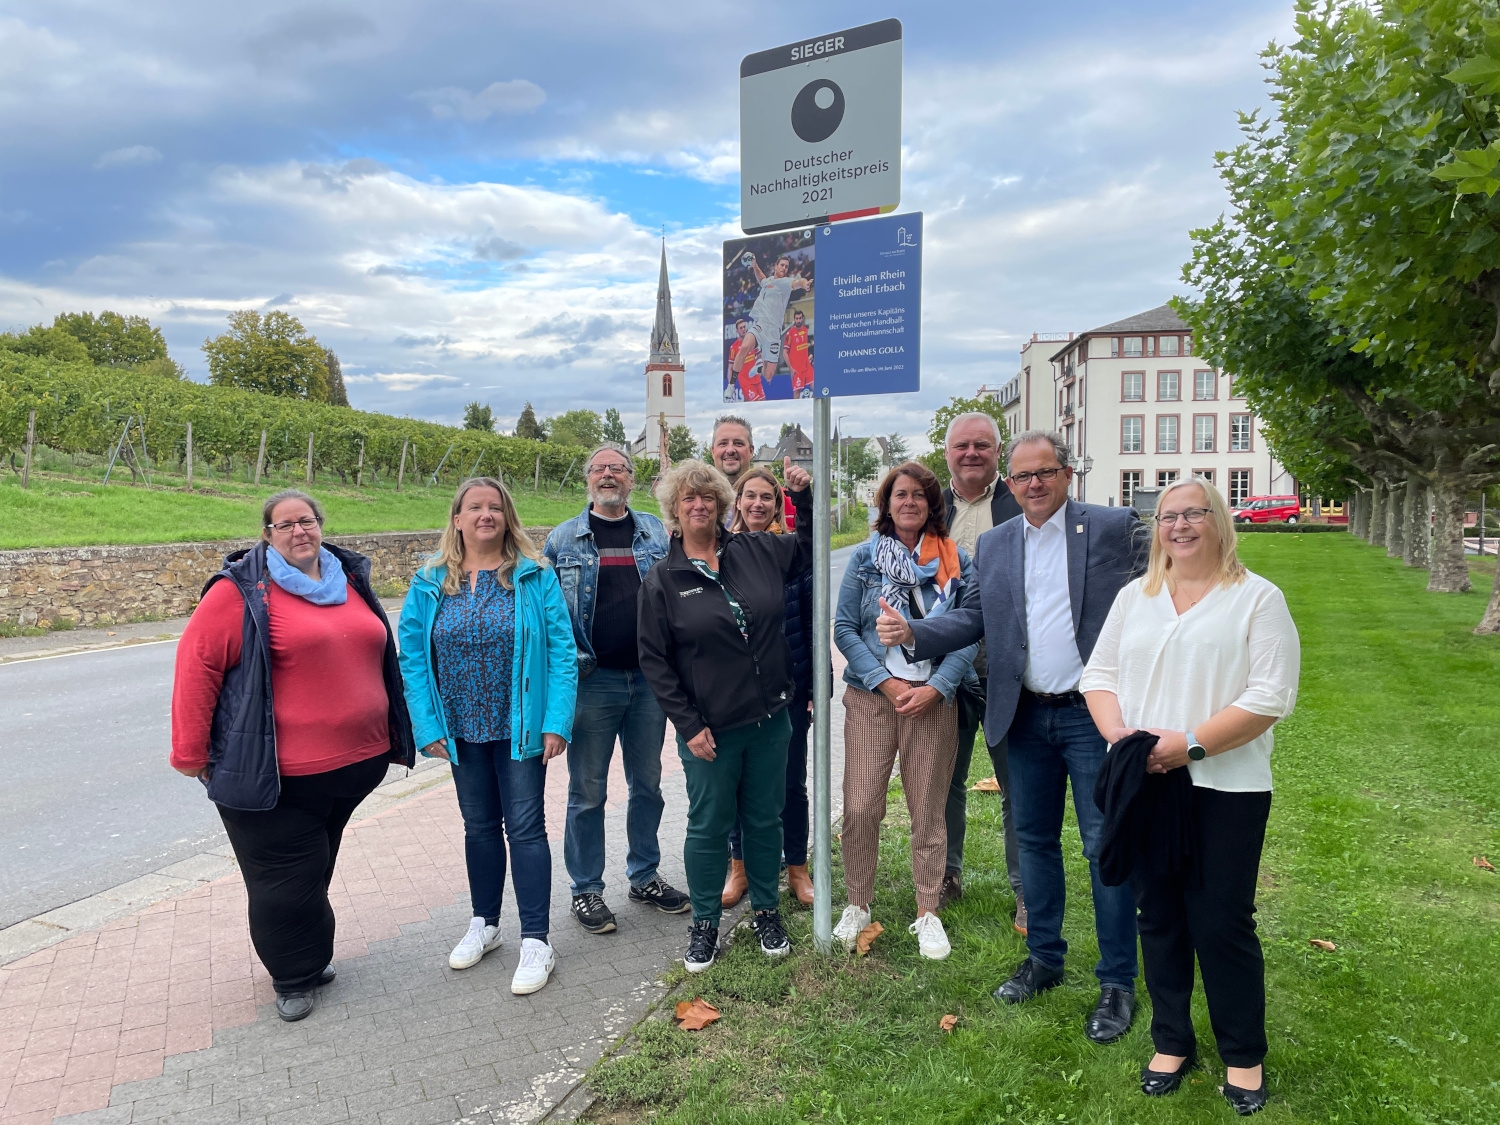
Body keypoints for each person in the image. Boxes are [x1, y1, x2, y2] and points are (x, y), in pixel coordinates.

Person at [877, 430, 1149, 1043]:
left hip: (1090, 716)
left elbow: (1154, 591)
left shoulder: (1109, 527)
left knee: (1104, 844)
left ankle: (1116, 981)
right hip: (1022, 714)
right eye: (1024, 476)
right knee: (1034, 840)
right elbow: (974, 616)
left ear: (1066, 474)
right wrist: (915, 632)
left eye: (1043, 473)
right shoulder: (998, 543)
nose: (1032, 484)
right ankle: (1046, 959)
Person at [1081, 478, 1299, 1116]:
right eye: (1168, 517)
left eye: (1193, 514)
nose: (1178, 526)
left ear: (1219, 521)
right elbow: (1100, 676)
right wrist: (1121, 738)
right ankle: (1171, 1040)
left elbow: (1268, 697)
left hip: (1225, 786)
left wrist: (1191, 745)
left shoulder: (1257, 600)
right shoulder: (1137, 597)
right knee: (1161, 915)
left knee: (1221, 921)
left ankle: (1243, 1054)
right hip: (1148, 784)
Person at [171, 490, 415, 1022]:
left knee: (311, 869)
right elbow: (197, 669)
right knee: (285, 881)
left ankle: (309, 955)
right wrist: (190, 754)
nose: (297, 531)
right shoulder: (237, 592)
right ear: (267, 535)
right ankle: (294, 974)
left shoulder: (347, 580)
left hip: (352, 768)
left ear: (321, 526)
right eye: (284, 525)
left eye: (306, 521)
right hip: (274, 776)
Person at [398, 477, 577, 996]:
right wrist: (427, 725)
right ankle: (486, 923)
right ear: (456, 519)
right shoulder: (430, 581)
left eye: (494, 507)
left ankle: (538, 940)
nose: (485, 515)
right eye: (474, 507)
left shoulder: (534, 577)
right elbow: (412, 658)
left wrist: (556, 721)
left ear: (507, 517)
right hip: (460, 724)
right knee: (478, 827)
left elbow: (563, 652)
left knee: (524, 827)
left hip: (518, 722)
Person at [637, 457, 813, 973]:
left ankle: (766, 911)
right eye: (688, 498)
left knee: (764, 820)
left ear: (721, 506)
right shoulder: (664, 579)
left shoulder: (756, 550)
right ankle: (705, 924)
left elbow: (807, 551)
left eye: (707, 498)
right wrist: (688, 725)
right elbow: (654, 659)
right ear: (674, 509)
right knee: (709, 826)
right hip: (710, 732)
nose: (698, 505)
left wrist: (799, 499)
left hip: (769, 720)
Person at [833, 461, 978, 961]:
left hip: (932, 704)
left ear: (932, 503)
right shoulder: (864, 559)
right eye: (900, 494)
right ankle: (857, 903)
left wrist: (938, 686)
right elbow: (845, 629)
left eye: (919, 494)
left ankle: (928, 911)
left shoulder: (955, 560)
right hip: (874, 700)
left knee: (927, 811)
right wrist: (886, 682)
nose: (910, 502)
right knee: (860, 806)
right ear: (887, 503)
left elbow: (967, 630)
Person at [543, 444, 687, 935]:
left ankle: (643, 876)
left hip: (650, 682)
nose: (609, 475)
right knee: (587, 792)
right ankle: (586, 889)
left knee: (647, 786)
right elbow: (547, 620)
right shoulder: (561, 541)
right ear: (588, 479)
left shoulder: (654, 532)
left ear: (630, 479)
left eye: (618, 469)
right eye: (600, 469)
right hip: (592, 682)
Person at [938, 412, 1026, 929]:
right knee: (943, 779)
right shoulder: (929, 506)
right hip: (943, 668)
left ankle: (1025, 890)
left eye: (983, 445)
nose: (972, 453)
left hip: (1004, 666)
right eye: (962, 445)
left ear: (998, 452)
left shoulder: (1021, 503)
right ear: (947, 452)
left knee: (1018, 782)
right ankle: (947, 873)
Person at [722, 468, 815, 907]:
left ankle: (797, 867)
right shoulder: (721, 551)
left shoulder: (789, 551)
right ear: (737, 502)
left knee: (791, 781)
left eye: (767, 498)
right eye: (750, 496)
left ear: (777, 506)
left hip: (788, 687)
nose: (757, 504)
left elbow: (812, 622)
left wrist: (817, 684)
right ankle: (738, 868)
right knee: (739, 783)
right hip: (737, 688)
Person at [710, 415, 797, 531]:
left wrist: (801, 495)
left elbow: (811, 541)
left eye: (738, 443)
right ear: (713, 451)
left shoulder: (785, 502)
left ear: (751, 451)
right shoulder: (698, 505)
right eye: (723, 443)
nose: (730, 450)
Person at [784, 308, 814, 398]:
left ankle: (811, 407)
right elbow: (784, 352)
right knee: (797, 393)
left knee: (817, 389)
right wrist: (790, 368)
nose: (798, 320)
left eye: (800, 318)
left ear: (802, 318)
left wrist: (809, 358)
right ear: (794, 320)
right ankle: (796, 411)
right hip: (796, 369)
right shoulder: (790, 333)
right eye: (796, 318)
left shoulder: (805, 330)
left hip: (807, 367)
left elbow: (803, 348)